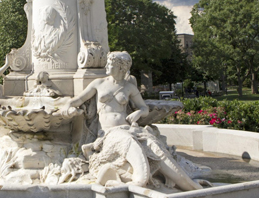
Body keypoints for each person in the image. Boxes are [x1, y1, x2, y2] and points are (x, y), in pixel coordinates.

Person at [64, 51, 204, 190]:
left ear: (121, 67)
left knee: (154, 145)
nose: (106, 66)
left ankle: (192, 187)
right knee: (128, 141)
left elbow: (144, 108)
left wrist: (138, 113)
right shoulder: (98, 83)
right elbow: (78, 100)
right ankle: (139, 179)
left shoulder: (129, 87)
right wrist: (68, 107)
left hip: (127, 128)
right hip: (108, 134)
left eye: (110, 64)